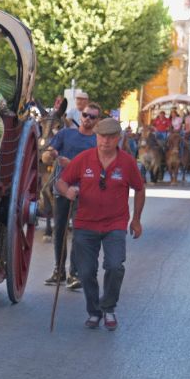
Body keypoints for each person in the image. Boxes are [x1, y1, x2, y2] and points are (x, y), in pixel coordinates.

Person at [54, 117, 145, 331]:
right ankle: (94, 312)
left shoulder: (127, 162)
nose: (105, 141)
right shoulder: (84, 159)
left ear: (118, 138)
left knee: (115, 266)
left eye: (111, 137)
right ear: (96, 137)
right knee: (86, 272)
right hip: (85, 224)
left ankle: (108, 307)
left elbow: (140, 189)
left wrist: (136, 220)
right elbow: (61, 181)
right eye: (102, 136)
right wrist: (67, 191)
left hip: (115, 224)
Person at [42, 102, 103, 290]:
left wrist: (72, 165)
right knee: (59, 230)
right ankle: (59, 271)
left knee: (79, 233)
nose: (87, 119)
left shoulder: (98, 142)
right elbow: (46, 155)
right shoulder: (65, 134)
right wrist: (51, 154)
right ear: (81, 115)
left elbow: (99, 170)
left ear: (97, 120)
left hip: (85, 192)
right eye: (85, 115)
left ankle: (74, 274)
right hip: (61, 189)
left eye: (92, 117)